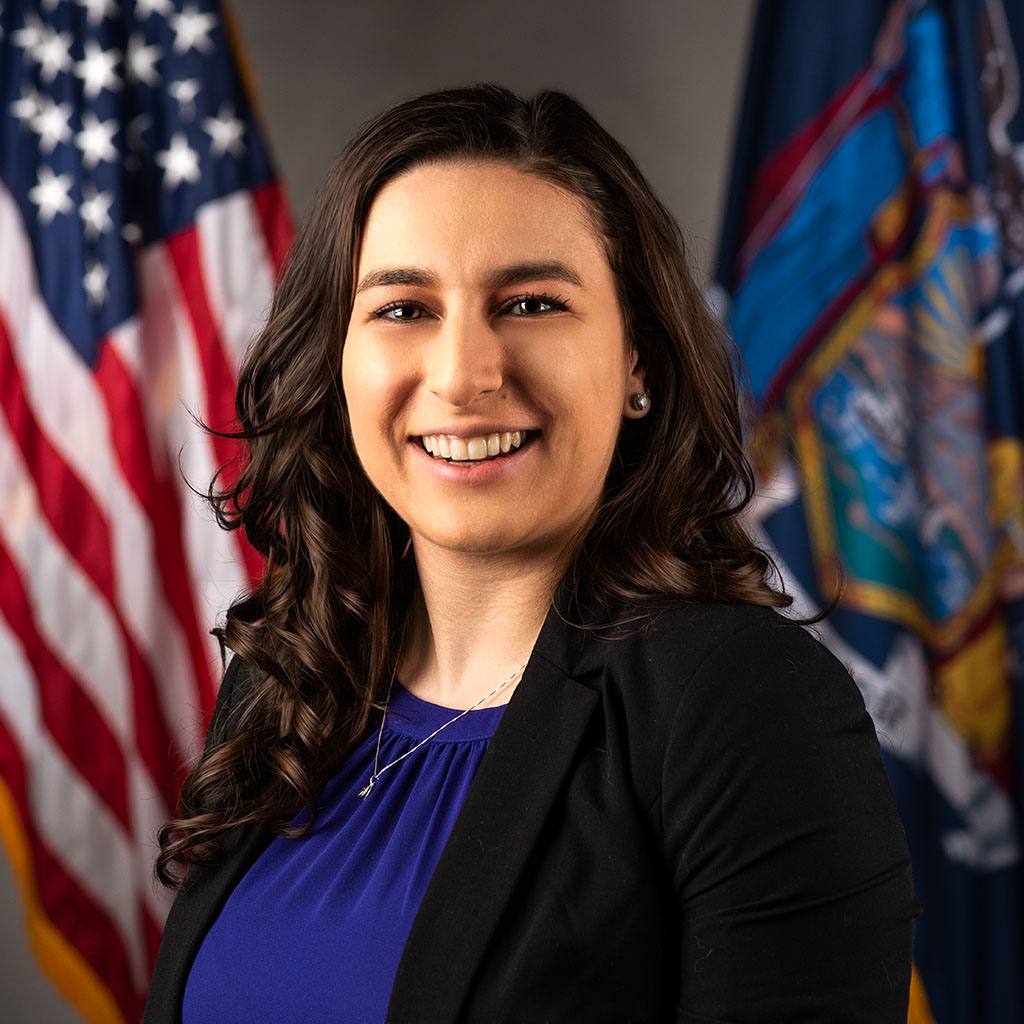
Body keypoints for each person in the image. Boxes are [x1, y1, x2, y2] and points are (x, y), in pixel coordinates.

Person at [144, 84, 918, 1023]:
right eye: (403, 309)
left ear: (638, 361)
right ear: (337, 358)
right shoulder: (291, 681)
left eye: (530, 301)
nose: (466, 373)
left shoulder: (741, 702)